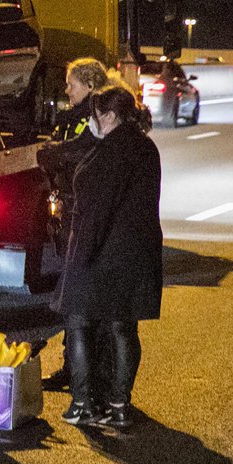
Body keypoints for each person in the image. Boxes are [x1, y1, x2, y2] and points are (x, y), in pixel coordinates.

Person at [54, 84, 162, 430]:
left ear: (110, 116)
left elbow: (97, 211)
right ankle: (119, 405)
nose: (91, 123)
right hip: (137, 253)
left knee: (79, 322)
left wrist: (78, 260)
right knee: (123, 326)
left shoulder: (110, 153)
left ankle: (84, 403)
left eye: (95, 115)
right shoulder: (145, 147)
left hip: (102, 252)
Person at [36, 57, 111, 391]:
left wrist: (54, 153)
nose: (66, 90)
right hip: (68, 212)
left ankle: (89, 374)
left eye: (72, 83)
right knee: (70, 291)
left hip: (84, 214)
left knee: (81, 295)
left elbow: (75, 154)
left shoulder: (97, 121)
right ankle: (74, 368)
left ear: (90, 86)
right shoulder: (71, 119)